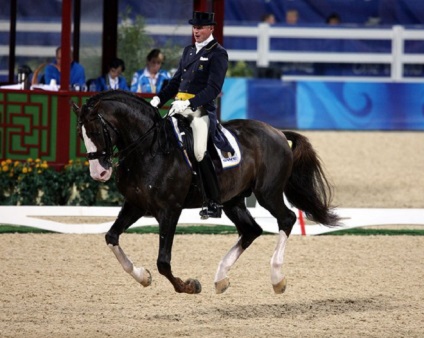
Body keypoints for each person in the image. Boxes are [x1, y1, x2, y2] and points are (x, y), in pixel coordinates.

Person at [150, 11, 234, 219]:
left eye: (200, 28)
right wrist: (158, 99)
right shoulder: (188, 51)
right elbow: (176, 81)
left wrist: (189, 103)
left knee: (198, 151)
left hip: (201, 110)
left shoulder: (218, 53)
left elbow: (213, 89)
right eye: (194, 27)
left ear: (211, 29)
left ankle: (214, 202)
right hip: (179, 106)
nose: (196, 31)